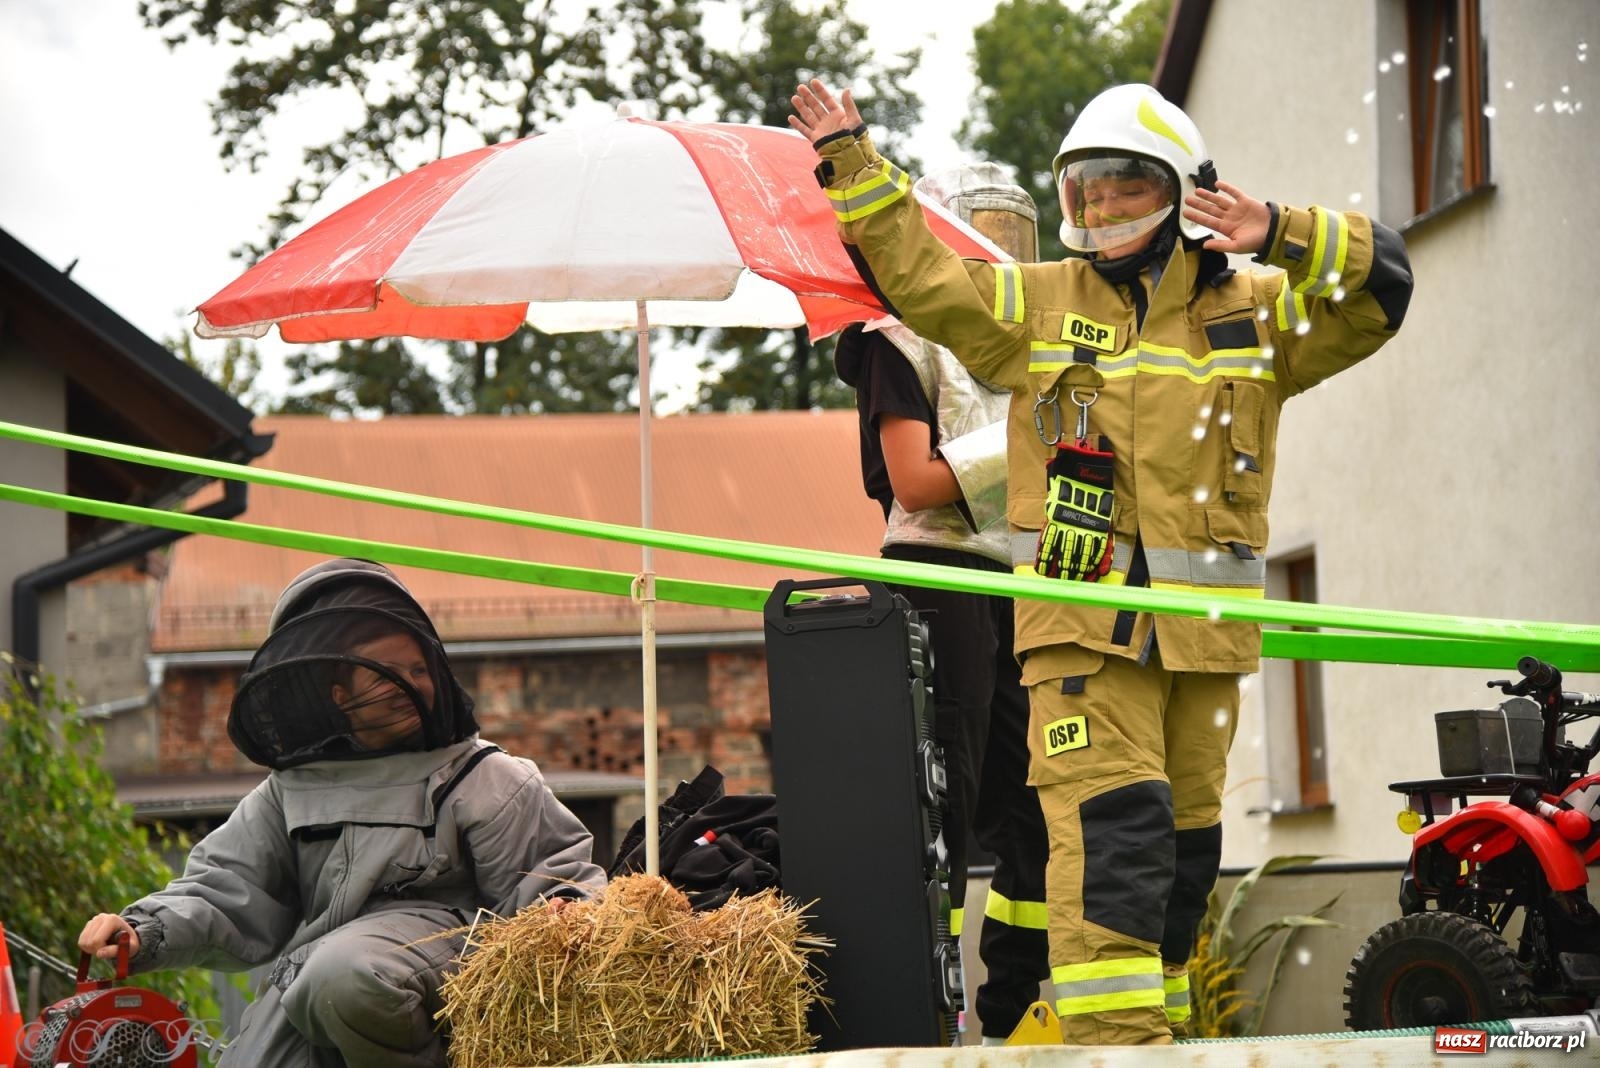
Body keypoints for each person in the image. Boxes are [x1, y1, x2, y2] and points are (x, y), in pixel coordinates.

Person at [791, 80, 1412, 1045]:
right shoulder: (1039, 306)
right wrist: (855, 165)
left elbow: (1383, 293)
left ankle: (1159, 1039)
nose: (1099, 209)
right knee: (1113, 839)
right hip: (1083, 641)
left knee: (1184, 858)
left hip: (1204, 649)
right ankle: (1115, 1050)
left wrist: (1281, 229)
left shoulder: (1257, 314)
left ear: (1182, 191)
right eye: (1084, 190)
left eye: (1123, 187)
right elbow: (922, 279)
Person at [78, 558, 606, 1068]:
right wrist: (144, 929)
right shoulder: (290, 791)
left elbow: (558, 883)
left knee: (348, 973)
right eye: (382, 671)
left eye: (417, 668)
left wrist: (565, 908)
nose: (407, 684)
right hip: (321, 985)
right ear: (337, 692)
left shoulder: (487, 778)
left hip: (452, 983)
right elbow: (227, 888)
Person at [832, 162, 1049, 1046]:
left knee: (1037, 799)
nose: (999, 255)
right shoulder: (902, 338)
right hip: (939, 578)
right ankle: (936, 1013)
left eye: (1014, 238)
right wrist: (1027, 440)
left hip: (1022, 583)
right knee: (945, 805)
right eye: (981, 234)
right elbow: (917, 484)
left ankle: (1014, 1010)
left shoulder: (1036, 343)